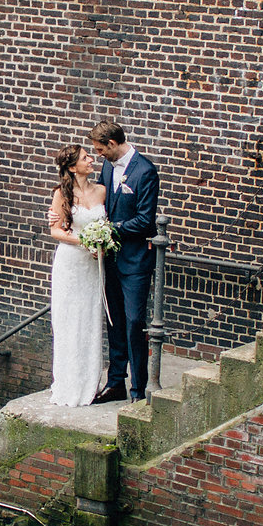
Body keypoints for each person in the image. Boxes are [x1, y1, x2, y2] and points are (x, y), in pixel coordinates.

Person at [90, 119, 159, 403]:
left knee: (133, 322)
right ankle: (116, 382)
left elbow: (145, 220)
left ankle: (138, 390)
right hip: (112, 260)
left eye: (100, 149)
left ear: (113, 144)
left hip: (136, 262)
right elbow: (101, 203)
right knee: (114, 321)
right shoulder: (108, 166)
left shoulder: (145, 172)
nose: (98, 155)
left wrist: (110, 229)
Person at [46, 143, 108, 406]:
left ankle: (89, 382)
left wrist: (102, 243)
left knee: (90, 319)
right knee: (68, 321)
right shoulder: (62, 194)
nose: (91, 160)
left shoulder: (102, 191)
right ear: (73, 167)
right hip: (71, 264)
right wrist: (86, 241)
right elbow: (56, 231)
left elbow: (108, 224)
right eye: (85, 158)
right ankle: (69, 383)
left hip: (93, 266)